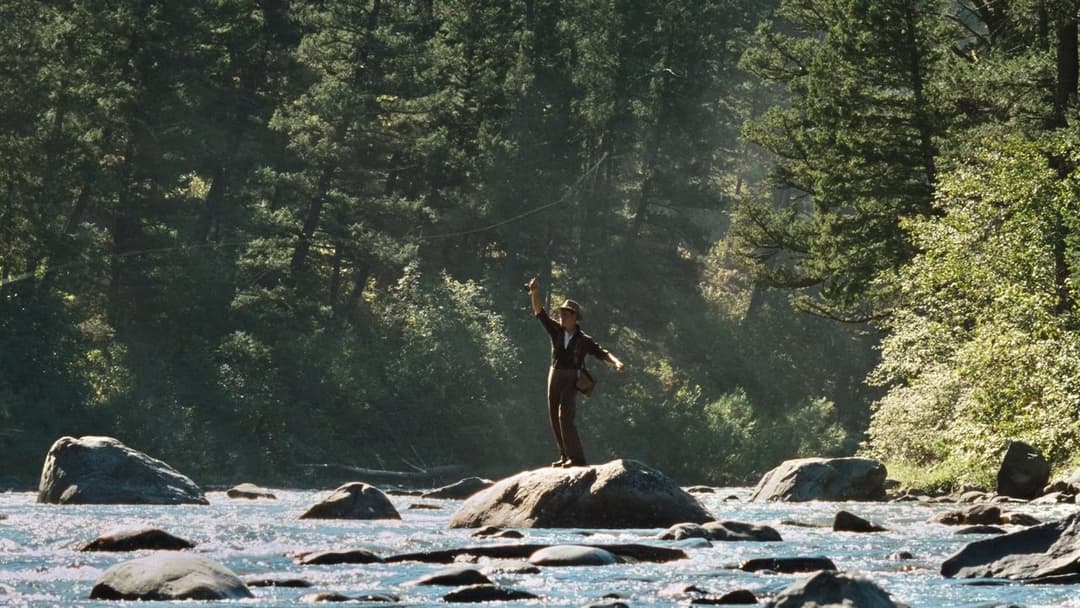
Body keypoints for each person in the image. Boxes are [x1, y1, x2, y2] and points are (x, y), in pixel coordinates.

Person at [527, 277, 624, 468]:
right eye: (561, 313)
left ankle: (577, 459)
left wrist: (616, 362)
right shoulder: (555, 330)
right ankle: (564, 456)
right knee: (554, 416)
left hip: (572, 378)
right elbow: (539, 312)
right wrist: (535, 292)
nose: (561, 316)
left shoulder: (584, 339)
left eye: (566, 314)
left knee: (566, 417)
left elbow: (601, 352)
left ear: (574, 317)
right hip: (553, 375)